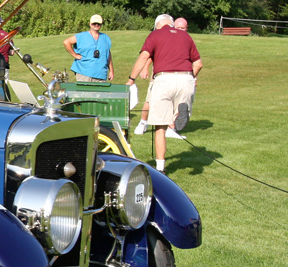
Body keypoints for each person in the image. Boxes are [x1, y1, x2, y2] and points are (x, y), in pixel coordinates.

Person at [125, 14, 202, 172]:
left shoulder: (155, 34)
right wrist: (190, 78)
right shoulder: (185, 36)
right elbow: (198, 64)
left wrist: (131, 79)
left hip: (163, 79)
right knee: (177, 109)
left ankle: (161, 168)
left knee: (160, 127)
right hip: (186, 79)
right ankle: (179, 113)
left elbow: (144, 56)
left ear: (157, 25)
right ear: (172, 24)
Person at [133, 16, 191, 138]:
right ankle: (143, 122)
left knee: (175, 103)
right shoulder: (161, 35)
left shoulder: (183, 38)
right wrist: (145, 68)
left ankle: (171, 128)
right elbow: (150, 55)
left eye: (183, 28)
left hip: (177, 76)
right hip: (160, 75)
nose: (180, 29)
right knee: (150, 100)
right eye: (178, 27)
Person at [64, 14, 113, 81]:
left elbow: (108, 55)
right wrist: (75, 55)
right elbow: (66, 42)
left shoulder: (105, 38)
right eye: (94, 23)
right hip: (84, 73)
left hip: (101, 74)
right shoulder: (81, 36)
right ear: (90, 24)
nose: (96, 25)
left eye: (98, 23)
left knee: (100, 91)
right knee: (84, 91)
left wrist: (111, 71)